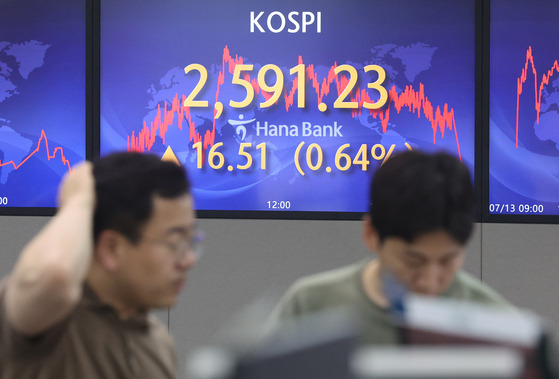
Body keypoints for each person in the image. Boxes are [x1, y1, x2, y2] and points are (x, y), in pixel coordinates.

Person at [266, 149, 512, 345]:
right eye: (413, 261)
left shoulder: (495, 323)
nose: (429, 281)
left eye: (448, 260)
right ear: (371, 234)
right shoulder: (311, 308)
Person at [0, 152, 199, 378]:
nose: (188, 259)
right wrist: (78, 198)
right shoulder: (48, 320)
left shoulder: (158, 345)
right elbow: (55, 275)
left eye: (190, 241)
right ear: (111, 248)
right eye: (174, 242)